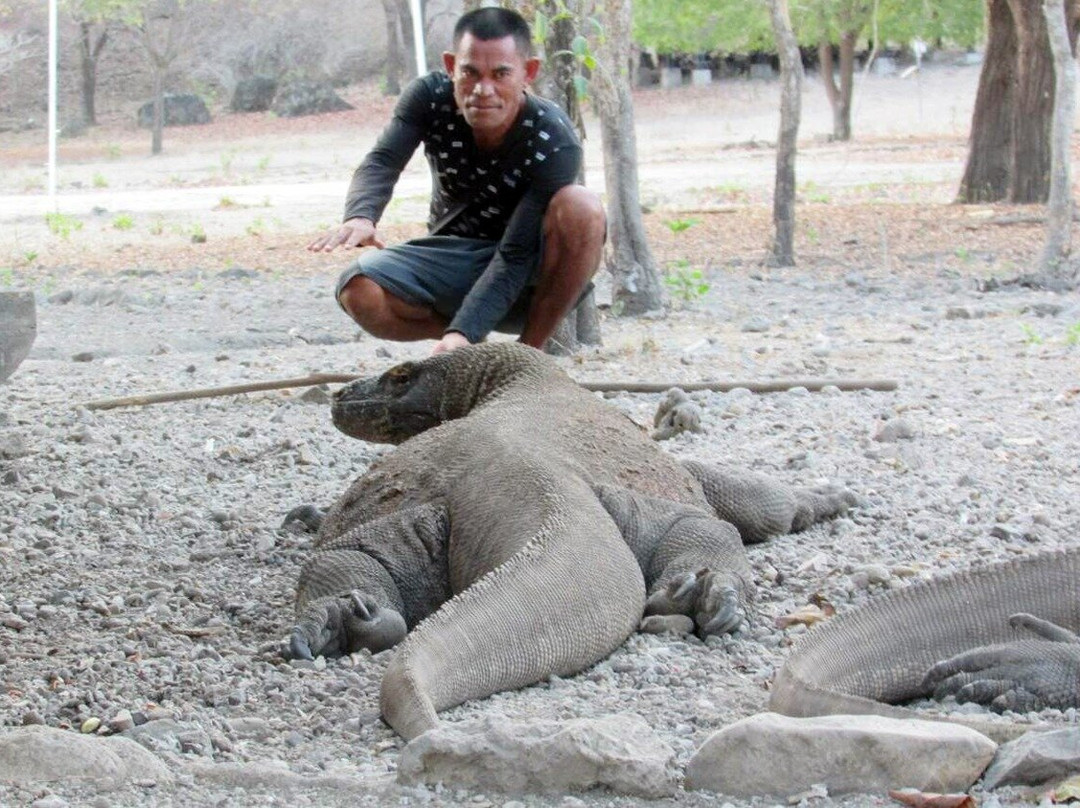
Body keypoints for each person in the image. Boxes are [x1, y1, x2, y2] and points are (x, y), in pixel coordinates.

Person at [306, 6, 606, 355]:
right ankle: (468, 351)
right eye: (470, 72)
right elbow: (384, 158)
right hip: (450, 256)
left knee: (582, 206)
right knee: (358, 290)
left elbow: (515, 255)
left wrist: (465, 330)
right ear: (451, 66)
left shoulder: (553, 138)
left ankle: (525, 358)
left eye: (501, 74)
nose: (483, 90)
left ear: (529, 73)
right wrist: (361, 214)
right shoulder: (430, 98)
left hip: (528, 273)